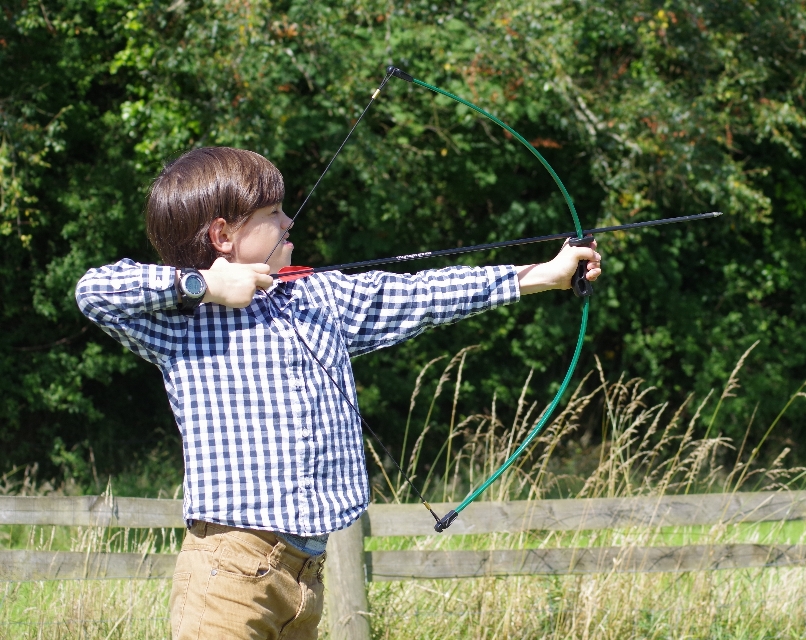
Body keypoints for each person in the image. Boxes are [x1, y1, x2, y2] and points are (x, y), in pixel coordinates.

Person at [75, 146, 601, 639]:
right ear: (222, 235)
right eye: (274, 213)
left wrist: (544, 276)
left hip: (305, 579)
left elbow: (421, 293)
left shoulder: (317, 298)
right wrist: (205, 287)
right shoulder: (182, 321)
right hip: (228, 572)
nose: (289, 222)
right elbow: (94, 291)